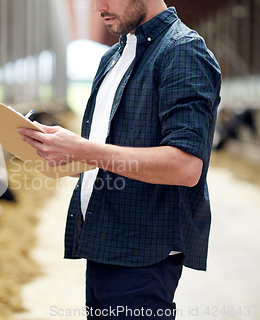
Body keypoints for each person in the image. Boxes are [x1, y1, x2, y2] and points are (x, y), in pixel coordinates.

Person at [18, 0, 221, 319]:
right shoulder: (112, 58)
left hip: (143, 256)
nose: (98, 6)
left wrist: (83, 149)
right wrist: (56, 151)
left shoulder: (181, 51)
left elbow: (186, 166)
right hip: (101, 242)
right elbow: (110, 158)